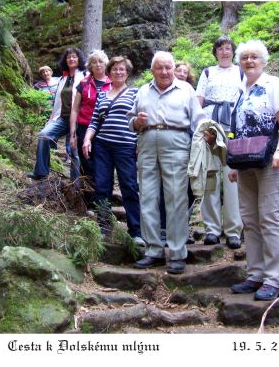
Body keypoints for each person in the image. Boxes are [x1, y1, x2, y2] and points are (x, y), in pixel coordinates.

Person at [227, 39, 279, 302]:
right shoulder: (239, 90)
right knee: (250, 220)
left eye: (254, 57)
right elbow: (237, 129)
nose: (249, 61)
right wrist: (233, 164)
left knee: (268, 218)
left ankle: (274, 280)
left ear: (263, 61)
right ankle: (255, 275)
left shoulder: (272, 84)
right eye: (244, 57)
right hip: (246, 163)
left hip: (271, 161)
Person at [130, 51, 198, 275]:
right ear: (152, 70)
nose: (165, 71)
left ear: (173, 68)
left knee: (177, 197)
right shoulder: (142, 90)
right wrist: (136, 122)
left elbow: (198, 120)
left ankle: (177, 253)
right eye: (159, 67)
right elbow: (131, 120)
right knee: (148, 196)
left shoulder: (186, 90)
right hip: (147, 145)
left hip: (177, 145)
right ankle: (153, 250)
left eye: (168, 67)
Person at [83, 55, 143, 241]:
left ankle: (136, 231)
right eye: (115, 69)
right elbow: (94, 121)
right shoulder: (101, 94)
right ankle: (104, 227)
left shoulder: (136, 93)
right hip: (102, 146)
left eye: (122, 69)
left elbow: (140, 121)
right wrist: (87, 139)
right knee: (102, 187)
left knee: (129, 186)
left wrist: (139, 142)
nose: (118, 71)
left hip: (125, 145)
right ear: (109, 72)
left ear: (127, 73)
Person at [195, 37, 244, 249]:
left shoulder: (241, 72)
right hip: (211, 129)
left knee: (233, 180)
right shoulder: (207, 73)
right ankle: (212, 229)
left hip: (233, 128)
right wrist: (200, 128)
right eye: (220, 49)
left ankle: (233, 230)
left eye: (228, 49)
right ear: (215, 52)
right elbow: (198, 102)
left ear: (233, 52)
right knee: (210, 178)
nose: (224, 52)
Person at [30, 48, 86, 181]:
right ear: (65, 61)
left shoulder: (84, 76)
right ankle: (41, 171)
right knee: (44, 136)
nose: (71, 59)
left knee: (74, 151)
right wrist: (51, 119)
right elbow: (57, 101)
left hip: (78, 119)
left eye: (74, 57)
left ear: (79, 59)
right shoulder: (62, 78)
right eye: (68, 57)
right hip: (62, 118)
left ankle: (76, 184)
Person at [69, 50, 110, 200]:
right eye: (94, 62)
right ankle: (88, 201)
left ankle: (103, 199)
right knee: (86, 164)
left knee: (103, 164)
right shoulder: (84, 83)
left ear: (106, 63)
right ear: (90, 66)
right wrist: (73, 134)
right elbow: (74, 109)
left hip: (106, 129)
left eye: (100, 61)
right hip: (84, 127)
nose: (98, 65)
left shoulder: (113, 81)